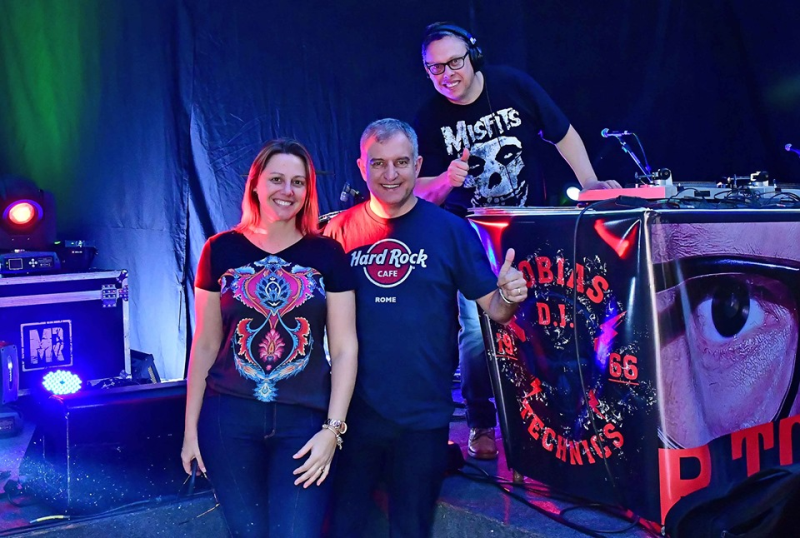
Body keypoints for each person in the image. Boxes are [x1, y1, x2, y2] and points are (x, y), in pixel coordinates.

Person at [412, 22, 621, 459]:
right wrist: (446, 180)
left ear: (474, 57)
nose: (447, 74)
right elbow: (416, 191)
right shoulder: (428, 118)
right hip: (470, 236)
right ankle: (481, 422)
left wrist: (590, 183)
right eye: (435, 68)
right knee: (476, 331)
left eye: (454, 62)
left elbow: (562, 133)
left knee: (546, 318)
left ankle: (554, 415)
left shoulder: (512, 85)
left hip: (530, 230)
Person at [323, 118, 528, 537]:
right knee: (343, 527)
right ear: (361, 167)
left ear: (418, 166)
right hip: (351, 415)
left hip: (423, 417)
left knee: (411, 529)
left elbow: (496, 310)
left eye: (401, 162)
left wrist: (509, 295)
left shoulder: (450, 230)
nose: (390, 174)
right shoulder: (338, 232)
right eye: (378, 163)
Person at [181, 138, 358, 537]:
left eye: (298, 182)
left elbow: (345, 348)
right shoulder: (219, 250)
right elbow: (205, 345)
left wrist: (333, 431)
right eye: (277, 179)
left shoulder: (328, 254)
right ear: (256, 184)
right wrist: (190, 430)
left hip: (304, 421)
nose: (287, 191)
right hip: (228, 418)